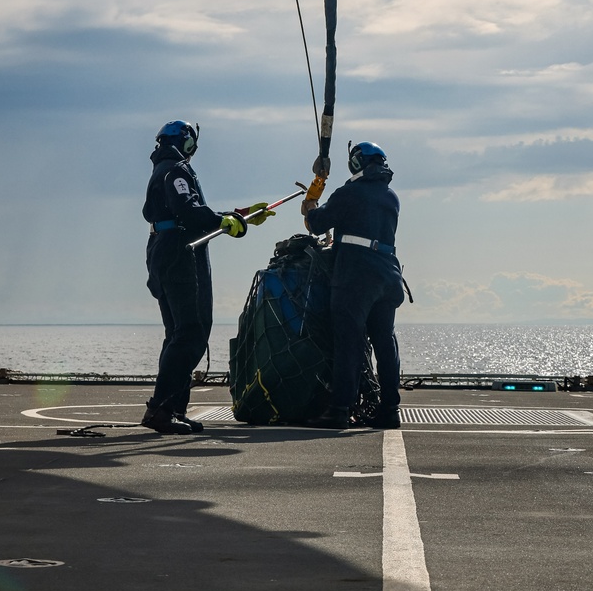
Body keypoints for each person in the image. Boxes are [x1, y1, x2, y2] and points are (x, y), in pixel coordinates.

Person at [142, 119, 274, 435]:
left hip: (165, 250)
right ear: (187, 143)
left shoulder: (164, 169)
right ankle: (162, 410)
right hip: (180, 254)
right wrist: (224, 221)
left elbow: (189, 211)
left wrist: (238, 217)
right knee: (191, 332)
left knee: (178, 333)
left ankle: (171, 409)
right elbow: (188, 210)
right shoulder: (177, 170)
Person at [302, 140, 405, 429]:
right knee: (385, 342)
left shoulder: (349, 193)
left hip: (356, 277)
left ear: (356, 163)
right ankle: (390, 409)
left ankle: (339, 410)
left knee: (348, 341)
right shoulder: (391, 197)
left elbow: (317, 224)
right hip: (388, 276)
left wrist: (310, 206)